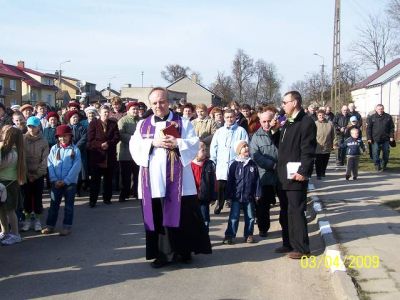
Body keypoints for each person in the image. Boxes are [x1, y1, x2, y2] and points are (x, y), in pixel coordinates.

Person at [129, 87, 211, 268]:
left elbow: (193, 143)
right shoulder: (142, 125)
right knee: (159, 218)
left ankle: (184, 251)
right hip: (153, 180)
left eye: (162, 101)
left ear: (169, 102)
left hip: (180, 182)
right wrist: (152, 142)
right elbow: (134, 146)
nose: (159, 105)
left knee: (184, 217)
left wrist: (177, 143)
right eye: (155, 103)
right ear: (151, 104)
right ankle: (164, 254)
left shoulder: (183, 122)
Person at [277, 91, 316, 259]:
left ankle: (302, 248)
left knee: (296, 210)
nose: (283, 105)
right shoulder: (288, 122)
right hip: (284, 174)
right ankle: (289, 243)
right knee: (286, 210)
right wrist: (274, 131)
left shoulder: (306, 122)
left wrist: (303, 171)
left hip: (296, 174)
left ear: (295, 102)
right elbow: (284, 146)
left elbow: (308, 149)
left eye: (285, 102)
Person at [42, 125, 82, 236]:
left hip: (70, 184)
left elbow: (76, 167)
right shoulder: (54, 149)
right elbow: (50, 164)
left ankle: (67, 226)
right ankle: (50, 226)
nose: (62, 138)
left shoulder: (75, 150)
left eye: (65, 136)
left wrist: (67, 180)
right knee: (53, 205)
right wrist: (54, 180)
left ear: (70, 136)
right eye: (60, 136)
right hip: (56, 182)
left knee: (69, 206)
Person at [210, 109, 249, 214]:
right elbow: (214, 146)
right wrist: (213, 160)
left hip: (235, 162)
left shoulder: (241, 130)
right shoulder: (219, 131)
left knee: (234, 185)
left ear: (235, 117)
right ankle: (220, 203)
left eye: (231, 117)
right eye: (227, 117)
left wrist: (243, 160)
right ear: (224, 118)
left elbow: (245, 145)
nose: (229, 119)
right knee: (221, 185)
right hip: (222, 162)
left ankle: (233, 203)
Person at [223, 140, 261, 244]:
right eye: (243, 147)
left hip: (249, 196)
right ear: (239, 150)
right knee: (234, 217)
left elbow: (257, 180)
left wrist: (257, 193)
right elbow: (230, 181)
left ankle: (248, 235)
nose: (246, 149)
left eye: (247, 146)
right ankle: (229, 235)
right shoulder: (234, 165)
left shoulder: (252, 164)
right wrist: (228, 195)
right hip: (236, 196)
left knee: (250, 217)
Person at [250, 106, 280, 238]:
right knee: (263, 205)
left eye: (269, 121)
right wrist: (272, 165)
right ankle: (263, 228)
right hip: (264, 175)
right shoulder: (256, 137)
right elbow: (256, 156)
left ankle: (286, 226)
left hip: (281, 175)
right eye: (264, 121)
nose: (267, 124)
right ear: (260, 122)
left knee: (285, 203)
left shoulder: (280, 132)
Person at [87, 105, 120, 207]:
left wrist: (108, 143)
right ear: (100, 113)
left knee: (108, 180)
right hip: (97, 156)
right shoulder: (93, 123)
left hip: (109, 156)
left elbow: (117, 137)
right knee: (95, 181)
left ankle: (107, 198)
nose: (106, 114)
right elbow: (90, 140)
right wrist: (100, 145)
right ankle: (93, 200)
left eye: (107, 112)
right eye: (104, 112)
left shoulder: (113, 124)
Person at [22, 116, 49, 232]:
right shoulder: (22, 139)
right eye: (29, 126)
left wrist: (37, 174)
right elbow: (21, 158)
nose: (31, 129)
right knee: (26, 199)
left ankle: (37, 220)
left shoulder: (44, 141)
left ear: (39, 127)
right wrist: (27, 173)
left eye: (34, 126)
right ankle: (27, 220)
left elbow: (45, 160)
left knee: (38, 198)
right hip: (25, 174)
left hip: (38, 175)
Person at [0, 126, 26, 245]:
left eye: (4, 132)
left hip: (8, 184)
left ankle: (15, 234)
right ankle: (5, 231)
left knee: (10, 211)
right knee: (1, 211)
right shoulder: (11, 150)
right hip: (6, 183)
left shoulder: (10, 153)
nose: (2, 133)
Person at [191, 142, 216, 232]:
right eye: (203, 150)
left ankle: (205, 236)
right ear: (195, 152)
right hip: (193, 197)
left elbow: (213, 182)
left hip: (204, 197)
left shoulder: (209, 164)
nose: (205, 152)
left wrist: (213, 196)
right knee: (193, 219)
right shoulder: (190, 165)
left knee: (205, 217)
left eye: (206, 150)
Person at [117, 102, 140, 202]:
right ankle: (124, 194)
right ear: (128, 110)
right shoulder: (123, 120)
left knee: (137, 175)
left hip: (138, 153)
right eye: (133, 109)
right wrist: (135, 139)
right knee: (125, 176)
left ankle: (135, 192)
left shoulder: (141, 121)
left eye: (136, 109)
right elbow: (121, 134)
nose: (135, 111)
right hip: (125, 152)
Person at [65, 110, 88, 195]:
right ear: (69, 119)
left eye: (77, 117)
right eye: (73, 117)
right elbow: (64, 139)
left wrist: (75, 148)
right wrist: (71, 147)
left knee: (80, 172)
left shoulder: (82, 127)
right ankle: (70, 189)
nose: (75, 119)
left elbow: (84, 138)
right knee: (70, 171)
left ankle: (78, 189)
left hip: (80, 152)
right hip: (68, 153)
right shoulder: (67, 128)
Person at [367, 104, 395, 171]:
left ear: (383, 109)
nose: (380, 110)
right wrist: (369, 138)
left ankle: (384, 165)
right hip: (375, 139)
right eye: (379, 109)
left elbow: (391, 128)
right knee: (375, 153)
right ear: (376, 109)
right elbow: (369, 129)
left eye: (381, 109)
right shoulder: (372, 117)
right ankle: (377, 165)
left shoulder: (388, 117)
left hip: (386, 139)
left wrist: (391, 136)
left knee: (386, 153)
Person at [315, 110, 335, 179]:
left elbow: (333, 135)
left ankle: (323, 172)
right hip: (318, 146)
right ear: (317, 116)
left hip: (327, 145)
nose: (321, 116)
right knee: (318, 161)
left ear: (325, 115)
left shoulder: (330, 124)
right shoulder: (315, 124)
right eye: (319, 115)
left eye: (322, 115)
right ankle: (318, 174)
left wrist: (334, 143)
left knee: (325, 160)